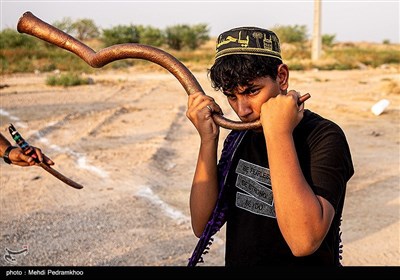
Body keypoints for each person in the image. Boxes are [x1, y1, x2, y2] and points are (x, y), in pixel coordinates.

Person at [186, 27, 354, 266]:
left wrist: (279, 132)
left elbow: (304, 241)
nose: (242, 110)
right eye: (231, 96)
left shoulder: (324, 136)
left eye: (252, 91)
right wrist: (208, 140)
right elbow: (202, 224)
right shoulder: (239, 138)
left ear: (282, 77)